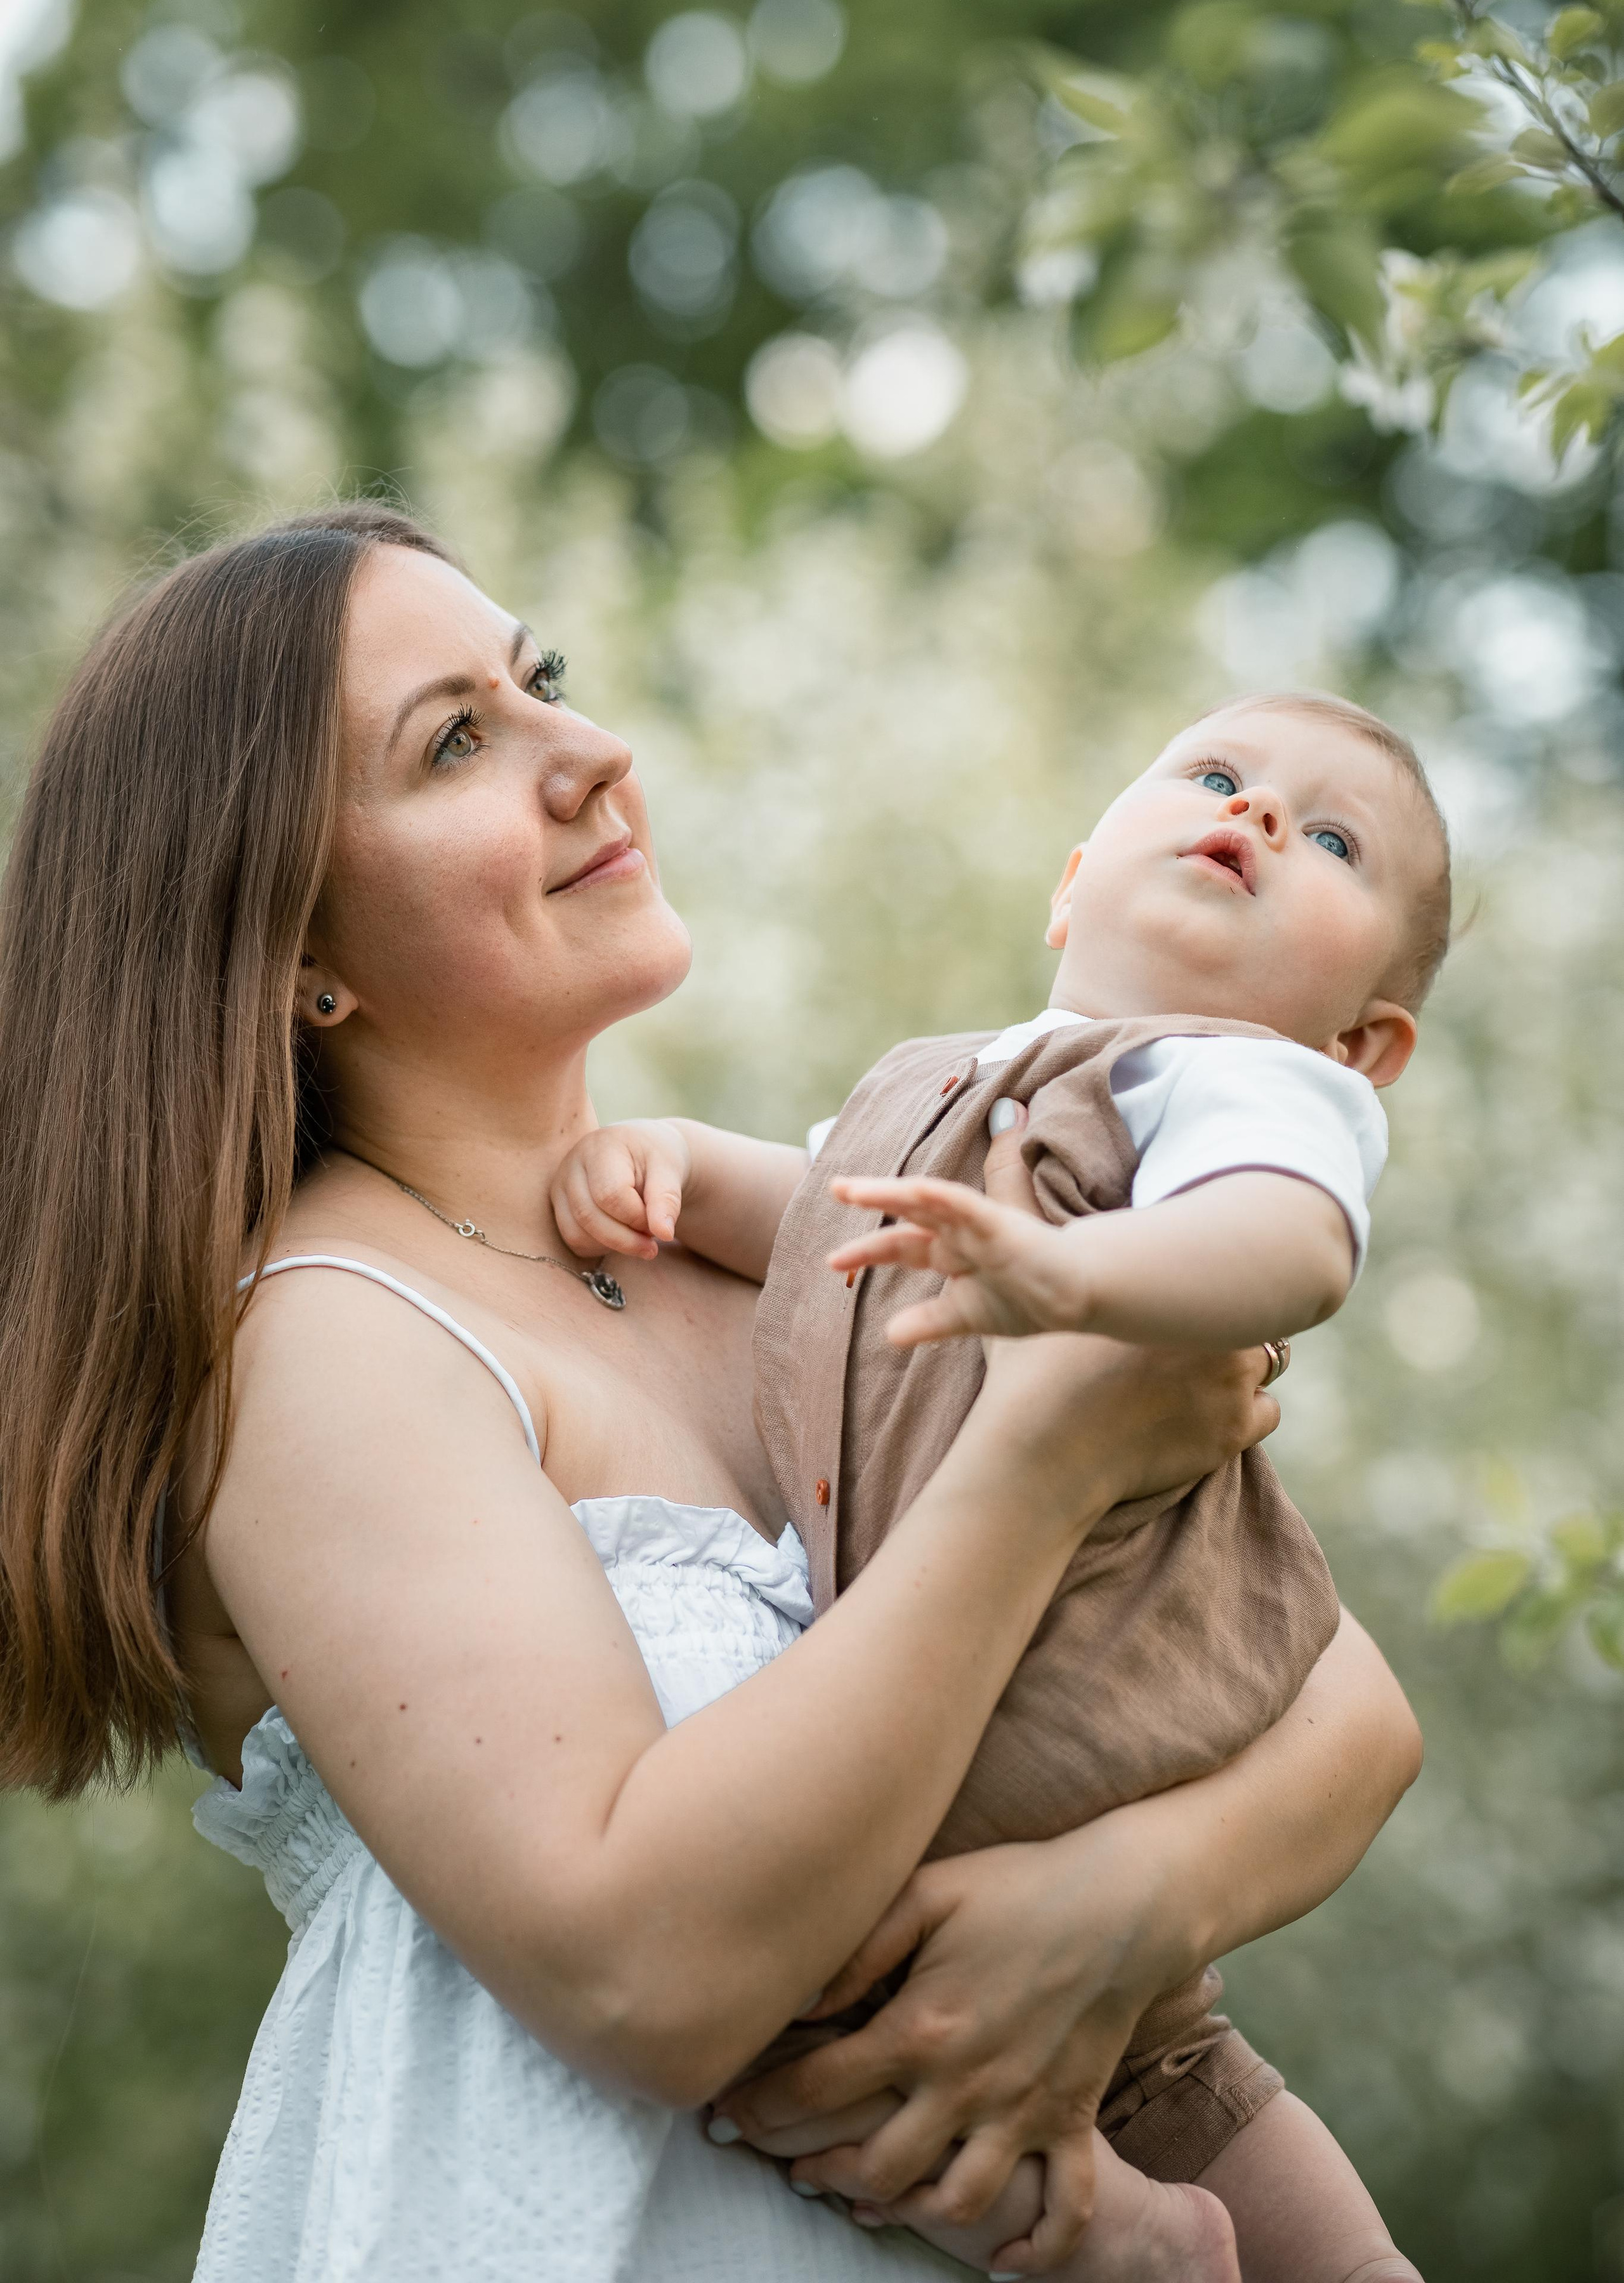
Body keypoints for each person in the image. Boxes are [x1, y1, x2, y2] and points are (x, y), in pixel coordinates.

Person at [0, 504, 1421, 2283]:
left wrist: (1124, 1908)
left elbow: (1349, 1712)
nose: (589, 755)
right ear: (294, 955)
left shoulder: (758, 1245)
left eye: (544, 686)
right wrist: (1045, 1457)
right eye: (457, 742)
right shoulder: (324, 1339)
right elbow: (639, 1968)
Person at [549, 693, 1445, 2279]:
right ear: (1073, 877)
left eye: (1323, 841)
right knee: (825, 2089)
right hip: (939, 1797)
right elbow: (827, 1231)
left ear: (1361, 1044)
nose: (1249, 820)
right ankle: (1124, 2234)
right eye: (1218, 780)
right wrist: (684, 1161)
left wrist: (1077, 1273)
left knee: (1188, 2094)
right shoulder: (931, 1083)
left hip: (1108, 1718)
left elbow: (1290, 1244)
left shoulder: (1237, 1086)